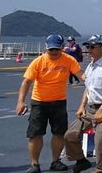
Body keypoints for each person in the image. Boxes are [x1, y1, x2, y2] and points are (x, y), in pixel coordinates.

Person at [16, 34, 84, 173]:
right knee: (35, 134)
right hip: (39, 102)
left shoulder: (69, 60)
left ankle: (55, 161)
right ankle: (35, 164)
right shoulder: (38, 62)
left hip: (59, 102)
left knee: (59, 133)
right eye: (51, 49)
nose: (54, 52)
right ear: (46, 48)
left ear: (62, 48)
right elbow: (27, 82)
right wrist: (21, 101)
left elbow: (81, 75)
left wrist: (94, 82)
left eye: (57, 49)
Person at [64, 35, 102, 173]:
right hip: (90, 108)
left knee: (100, 139)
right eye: (88, 47)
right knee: (70, 135)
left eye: (92, 47)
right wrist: (82, 106)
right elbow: (88, 88)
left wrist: (101, 110)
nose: (89, 49)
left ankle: (101, 170)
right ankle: (81, 161)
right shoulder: (90, 66)